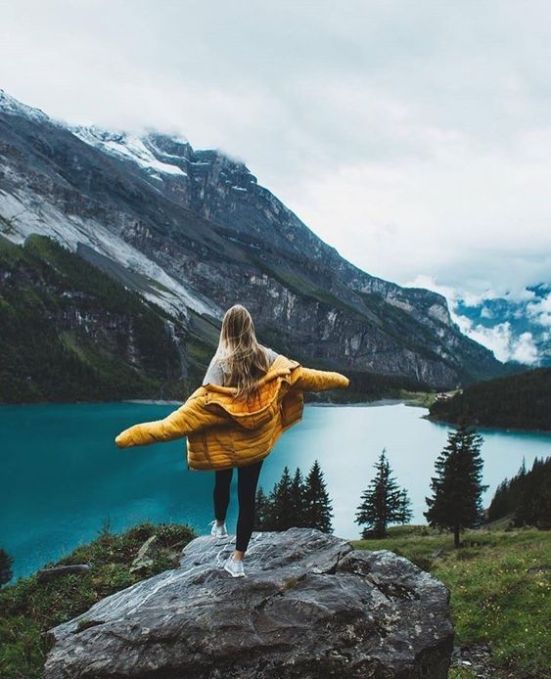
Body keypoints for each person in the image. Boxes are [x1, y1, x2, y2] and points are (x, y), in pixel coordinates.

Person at [115, 304, 350, 578]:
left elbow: (190, 413)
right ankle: (238, 560)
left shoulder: (220, 364)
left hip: (225, 443)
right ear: (250, 327)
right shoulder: (267, 357)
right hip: (255, 444)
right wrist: (340, 380)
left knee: (222, 481)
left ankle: (219, 525)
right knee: (248, 498)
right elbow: (307, 377)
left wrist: (130, 436)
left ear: (225, 329)